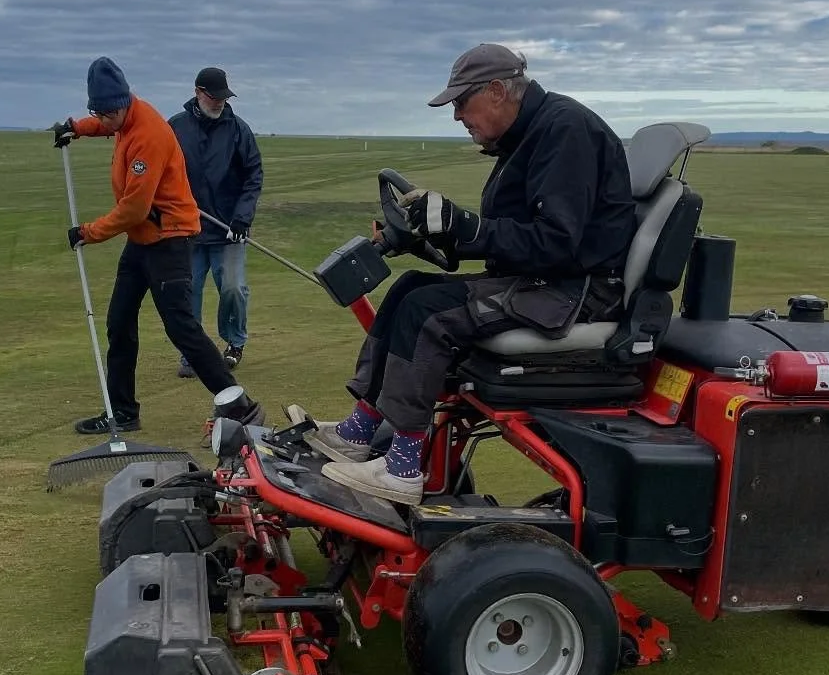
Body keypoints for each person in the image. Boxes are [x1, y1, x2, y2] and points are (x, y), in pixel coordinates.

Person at [316, 43, 637, 505]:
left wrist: (464, 225)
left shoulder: (565, 132)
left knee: (427, 311)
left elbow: (555, 243)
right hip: (542, 281)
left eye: (461, 103)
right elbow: (510, 239)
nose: (457, 117)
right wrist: (440, 233)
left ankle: (403, 468)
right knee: (409, 288)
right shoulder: (528, 136)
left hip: (574, 292)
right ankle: (359, 429)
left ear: (496, 91)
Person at [54, 57, 263, 435]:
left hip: (170, 238)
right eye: (97, 113)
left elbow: (134, 208)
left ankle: (239, 405)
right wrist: (75, 128)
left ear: (125, 102)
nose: (106, 120)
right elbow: (105, 126)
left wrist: (88, 232)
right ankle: (123, 412)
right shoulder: (119, 117)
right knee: (119, 322)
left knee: (181, 326)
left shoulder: (149, 133)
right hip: (142, 242)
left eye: (109, 113)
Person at [166, 67, 264, 376]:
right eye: (214, 96)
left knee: (233, 288)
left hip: (228, 229)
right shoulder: (175, 128)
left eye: (224, 97)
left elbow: (253, 176)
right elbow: (162, 171)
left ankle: (234, 343)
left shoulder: (238, 129)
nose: (219, 102)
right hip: (187, 228)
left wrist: (241, 219)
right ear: (198, 92)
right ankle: (192, 354)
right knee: (187, 293)